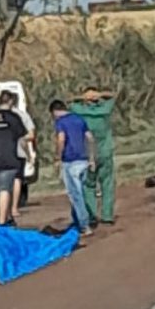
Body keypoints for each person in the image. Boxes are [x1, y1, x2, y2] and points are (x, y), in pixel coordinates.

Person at [69, 88, 116, 226]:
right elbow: (113, 96)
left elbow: (69, 101)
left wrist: (83, 97)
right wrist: (99, 95)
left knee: (89, 185)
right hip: (105, 151)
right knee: (107, 184)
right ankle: (107, 215)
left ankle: (92, 215)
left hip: (87, 153)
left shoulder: (78, 111)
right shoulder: (105, 109)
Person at [49, 99, 96, 236]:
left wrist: (58, 157)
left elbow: (61, 140)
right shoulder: (79, 119)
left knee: (76, 195)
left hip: (70, 161)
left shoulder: (61, 123)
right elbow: (90, 138)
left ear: (55, 112)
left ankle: (84, 225)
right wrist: (91, 158)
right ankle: (77, 221)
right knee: (79, 192)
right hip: (83, 160)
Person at [0, 104, 27, 226]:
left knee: (0, 189)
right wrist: (28, 154)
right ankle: (3, 220)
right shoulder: (13, 117)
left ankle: (5, 216)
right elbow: (22, 139)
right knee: (5, 189)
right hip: (9, 158)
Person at [6, 92, 36, 217]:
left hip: (1, 152)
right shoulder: (21, 116)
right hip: (19, 152)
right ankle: (14, 208)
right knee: (17, 179)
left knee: (3, 181)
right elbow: (31, 135)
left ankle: (4, 209)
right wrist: (29, 154)